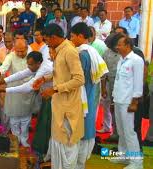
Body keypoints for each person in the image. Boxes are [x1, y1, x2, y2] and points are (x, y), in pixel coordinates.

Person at [34, 23, 85, 168]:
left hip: (68, 105)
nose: (46, 44)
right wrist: (45, 79)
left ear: (54, 37)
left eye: (47, 40)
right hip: (59, 103)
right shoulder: (59, 49)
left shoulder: (69, 51)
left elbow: (79, 79)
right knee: (58, 140)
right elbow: (61, 73)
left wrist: (55, 89)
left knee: (67, 142)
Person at [70, 22, 108, 169]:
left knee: (81, 131)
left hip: (83, 96)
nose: (71, 39)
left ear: (80, 36)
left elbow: (77, 80)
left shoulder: (82, 54)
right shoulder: (92, 51)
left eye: (72, 36)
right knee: (87, 127)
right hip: (91, 95)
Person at [0, 39, 35, 147]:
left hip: (28, 92)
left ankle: (24, 141)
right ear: (14, 49)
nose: (20, 54)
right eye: (18, 51)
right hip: (14, 91)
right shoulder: (10, 56)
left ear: (27, 48)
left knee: (26, 119)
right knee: (14, 120)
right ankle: (15, 140)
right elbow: (4, 67)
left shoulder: (32, 56)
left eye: (22, 51)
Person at [111, 34, 144, 169]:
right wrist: (114, 100)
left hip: (128, 101)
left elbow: (138, 82)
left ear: (128, 45)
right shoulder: (121, 59)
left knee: (129, 131)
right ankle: (124, 155)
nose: (117, 47)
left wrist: (134, 101)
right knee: (121, 130)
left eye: (119, 44)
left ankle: (136, 162)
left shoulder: (136, 60)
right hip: (119, 99)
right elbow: (119, 81)